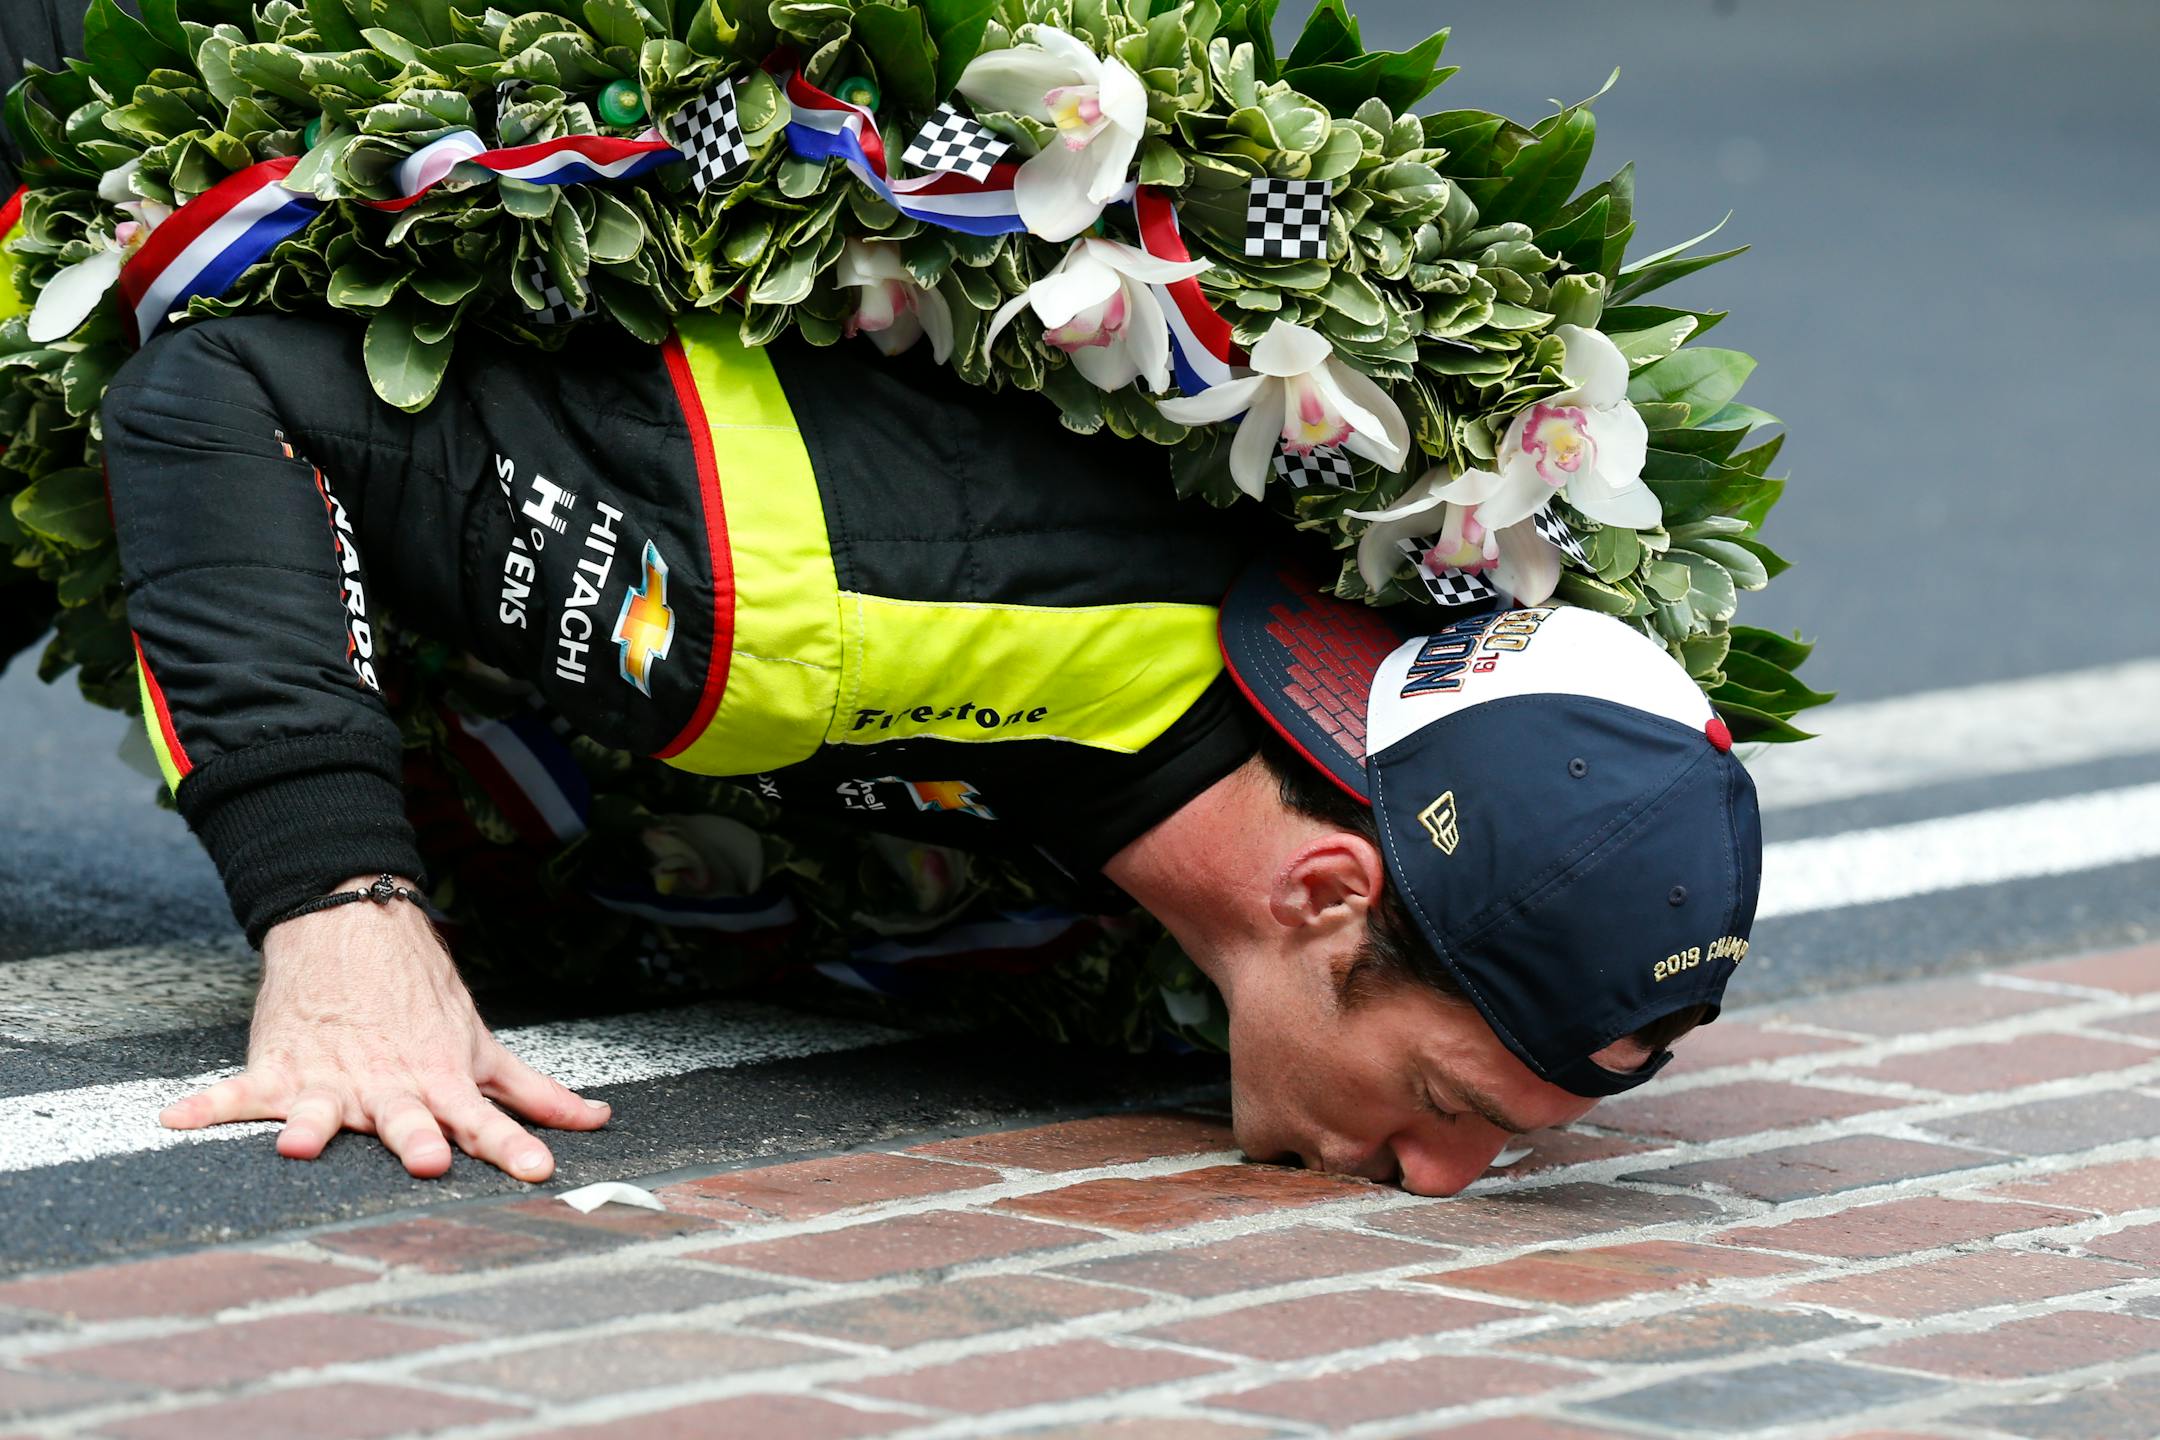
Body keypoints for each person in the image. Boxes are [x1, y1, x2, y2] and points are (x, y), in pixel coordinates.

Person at [99, 305, 1762, 1199]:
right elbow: (214, 390)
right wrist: (341, 906)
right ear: (1330, 888)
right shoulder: (833, 609)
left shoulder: (1228, 681)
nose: (1442, 1182)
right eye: (1449, 1104)